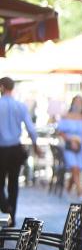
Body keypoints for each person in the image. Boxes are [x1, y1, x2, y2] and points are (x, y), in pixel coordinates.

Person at [0, 77, 42, 226]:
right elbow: (30, 128)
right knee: (13, 184)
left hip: (1, 150)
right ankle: (11, 215)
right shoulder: (20, 106)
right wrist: (36, 145)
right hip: (15, 150)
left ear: (2, 87)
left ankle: (5, 207)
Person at [57, 95, 82, 199]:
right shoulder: (66, 116)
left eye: (79, 102)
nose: (78, 104)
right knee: (74, 167)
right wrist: (69, 141)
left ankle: (68, 189)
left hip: (80, 147)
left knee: (77, 170)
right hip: (69, 147)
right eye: (76, 102)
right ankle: (80, 193)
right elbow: (60, 132)